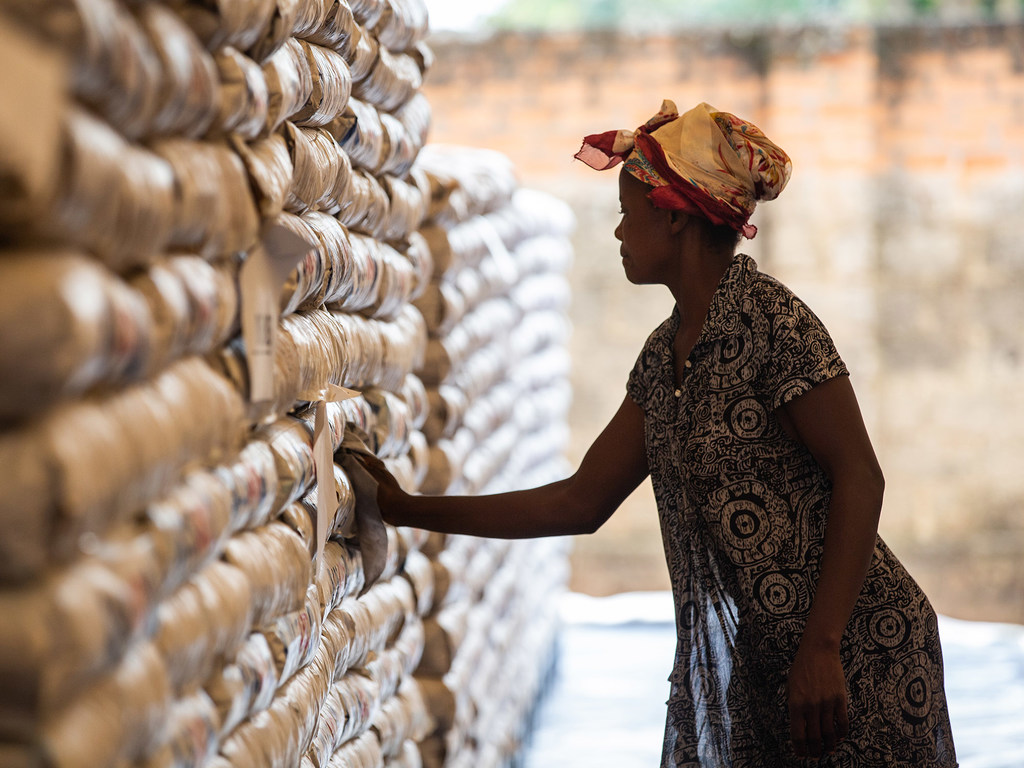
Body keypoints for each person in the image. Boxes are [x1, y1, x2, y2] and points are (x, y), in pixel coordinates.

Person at [359, 100, 958, 767]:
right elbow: (578, 503)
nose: (617, 232)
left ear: (673, 218)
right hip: (767, 662)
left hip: (852, 656)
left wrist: (821, 645)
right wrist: (404, 508)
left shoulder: (771, 322)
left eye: (627, 212)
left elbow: (860, 476)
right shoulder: (664, 355)